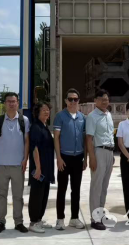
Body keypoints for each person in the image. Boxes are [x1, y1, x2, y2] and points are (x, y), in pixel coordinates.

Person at [0, 92, 30, 234]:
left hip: (18, 166)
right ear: (5, 103)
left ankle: (18, 222)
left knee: (18, 196)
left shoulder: (24, 120)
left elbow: (27, 141)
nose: (11, 104)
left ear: (18, 103)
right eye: (9, 101)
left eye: (14, 101)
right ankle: (1, 222)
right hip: (1, 166)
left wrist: (25, 159)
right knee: (1, 195)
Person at [53, 88, 87, 230]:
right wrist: (59, 158)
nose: (73, 102)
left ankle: (74, 218)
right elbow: (56, 138)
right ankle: (60, 219)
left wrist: (85, 159)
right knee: (62, 189)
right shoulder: (60, 116)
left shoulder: (82, 118)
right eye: (70, 99)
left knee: (76, 190)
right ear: (66, 101)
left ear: (78, 101)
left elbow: (85, 139)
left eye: (75, 99)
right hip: (64, 158)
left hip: (78, 158)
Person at [85, 89, 116, 230]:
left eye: (107, 100)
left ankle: (101, 214)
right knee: (96, 187)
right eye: (102, 99)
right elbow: (89, 138)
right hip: (98, 152)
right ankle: (94, 219)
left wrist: (112, 155)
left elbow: (109, 135)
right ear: (95, 101)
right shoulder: (92, 116)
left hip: (109, 152)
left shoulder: (108, 114)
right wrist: (91, 157)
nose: (105, 102)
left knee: (104, 186)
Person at [28, 101, 55, 233]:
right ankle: (33, 222)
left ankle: (39, 219)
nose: (46, 112)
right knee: (36, 195)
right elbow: (35, 148)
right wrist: (38, 168)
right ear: (37, 112)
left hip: (47, 168)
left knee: (44, 195)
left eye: (48, 110)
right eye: (43, 110)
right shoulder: (36, 127)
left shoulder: (44, 126)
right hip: (39, 169)